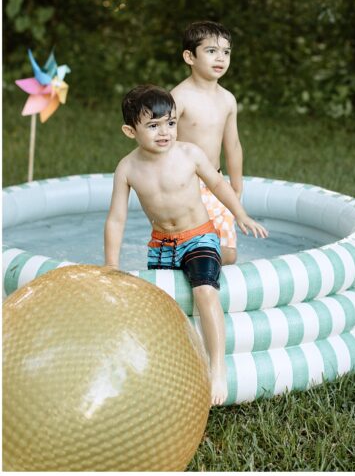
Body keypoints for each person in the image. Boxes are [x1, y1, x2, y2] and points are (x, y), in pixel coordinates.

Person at [103, 84, 267, 406]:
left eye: (171, 123)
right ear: (129, 130)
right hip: (161, 245)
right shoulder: (128, 168)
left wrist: (241, 214)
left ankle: (216, 367)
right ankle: (168, 368)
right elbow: (116, 220)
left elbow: (218, 184)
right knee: (163, 308)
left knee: (205, 291)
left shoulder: (190, 154)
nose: (164, 132)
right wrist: (111, 265)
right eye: (152, 126)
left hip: (199, 236)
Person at [170, 21, 244, 265]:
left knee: (229, 254)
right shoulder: (179, 98)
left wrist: (236, 187)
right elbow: (161, 143)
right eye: (211, 51)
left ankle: (197, 259)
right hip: (185, 185)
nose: (220, 58)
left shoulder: (227, 100)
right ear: (189, 57)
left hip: (215, 183)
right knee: (194, 244)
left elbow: (232, 146)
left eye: (226, 52)